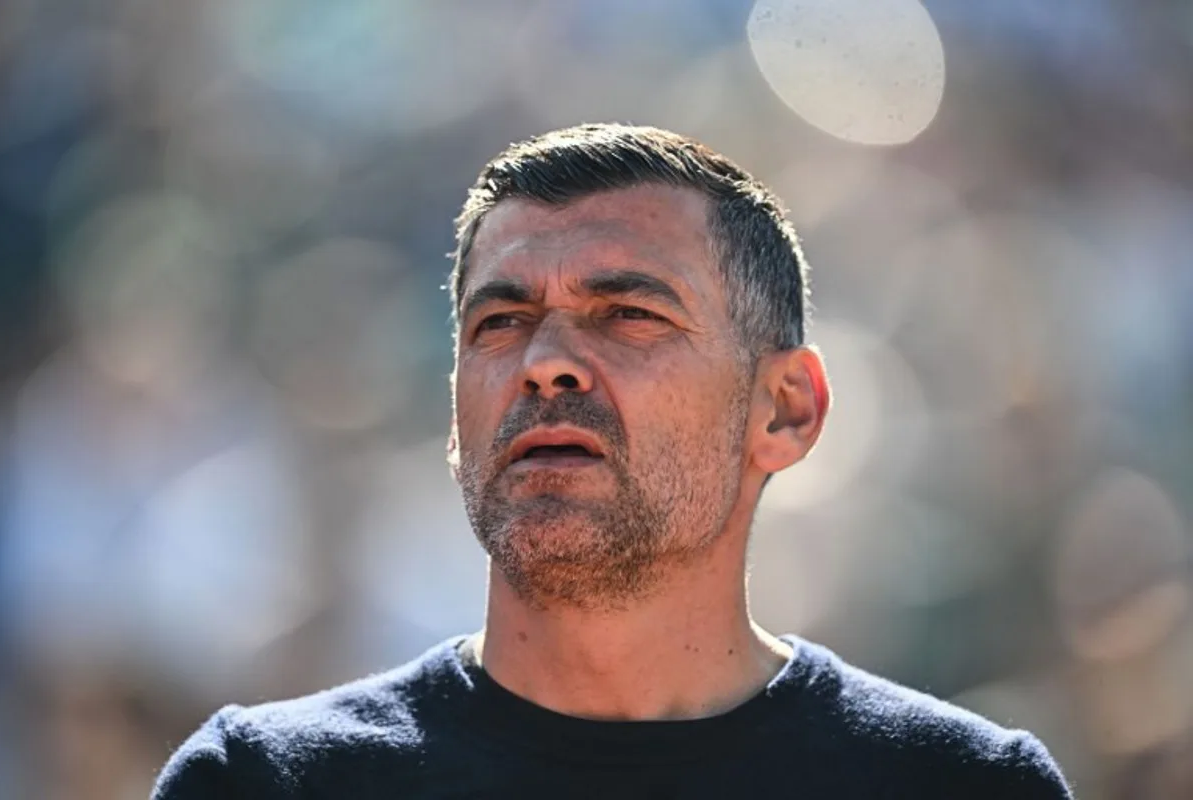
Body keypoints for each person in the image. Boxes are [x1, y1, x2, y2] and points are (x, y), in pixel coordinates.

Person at [152, 124, 1072, 799]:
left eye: (629, 314)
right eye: (499, 323)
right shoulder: (264, 785)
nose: (542, 362)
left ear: (786, 410)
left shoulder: (961, 787)